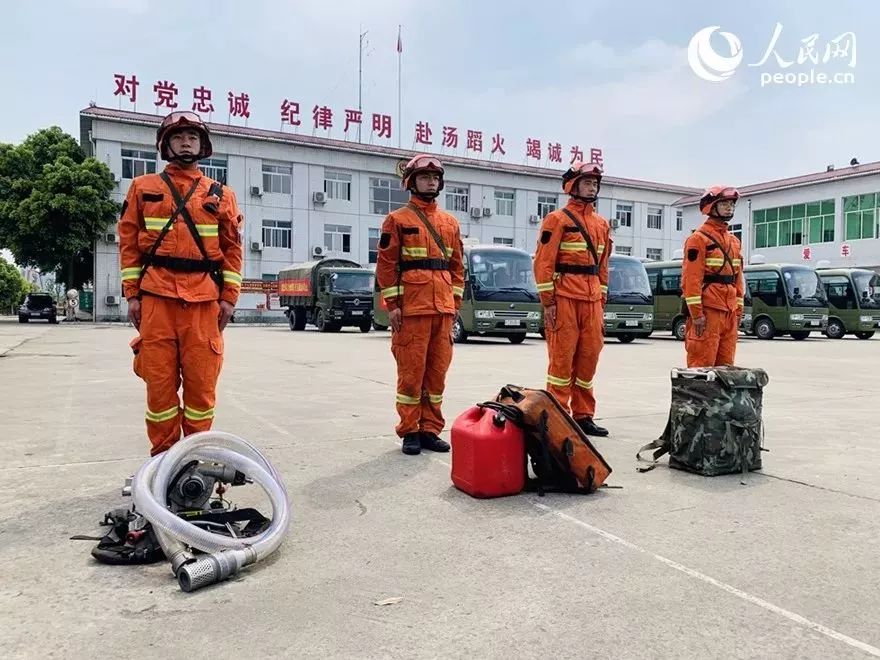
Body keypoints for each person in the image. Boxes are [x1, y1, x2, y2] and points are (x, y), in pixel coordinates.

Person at [118, 110, 244, 456]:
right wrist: (132, 294)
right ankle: (163, 460)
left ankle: (194, 459)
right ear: (165, 145)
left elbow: (233, 250)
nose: (185, 142)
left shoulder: (221, 194)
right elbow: (128, 244)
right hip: (156, 297)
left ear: (202, 146)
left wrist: (229, 298)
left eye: (192, 137)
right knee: (159, 389)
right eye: (177, 137)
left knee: (202, 390)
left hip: (204, 301)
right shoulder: (143, 188)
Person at [374, 154, 465, 455]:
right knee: (411, 373)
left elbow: (456, 268)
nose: (431, 181)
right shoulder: (397, 220)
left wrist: (454, 305)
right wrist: (393, 305)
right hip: (412, 310)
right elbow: (387, 266)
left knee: (437, 373)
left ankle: (430, 429)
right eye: (425, 177)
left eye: (435, 178)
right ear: (411, 182)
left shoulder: (450, 223)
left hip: (442, 310)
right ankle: (409, 430)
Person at [533, 162, 612, 437]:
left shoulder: (602, 224)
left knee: (589, 359)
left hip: (591, 301)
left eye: (595, 183)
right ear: (573, 186)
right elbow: (543, 263)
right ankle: (559, 417)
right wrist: (549, 302)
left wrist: (601, 299)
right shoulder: (557, 220)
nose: (592, 187)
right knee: (561, 363)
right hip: (565, 298)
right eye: (587, 182)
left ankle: (583, 415)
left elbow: (603, 265)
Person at [681, 185, 744, 367]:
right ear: (711, 206)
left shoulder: (734, 242)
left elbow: (738, 279)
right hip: (708, 312)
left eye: (731, 204)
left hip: (729, 312)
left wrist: (738, 311)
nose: (729, 207)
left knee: (726, 368)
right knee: (702, 366)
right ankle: (698, 397)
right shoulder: (698, 239)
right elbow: (691, 279)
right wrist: (697, 314)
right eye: (724, 203)